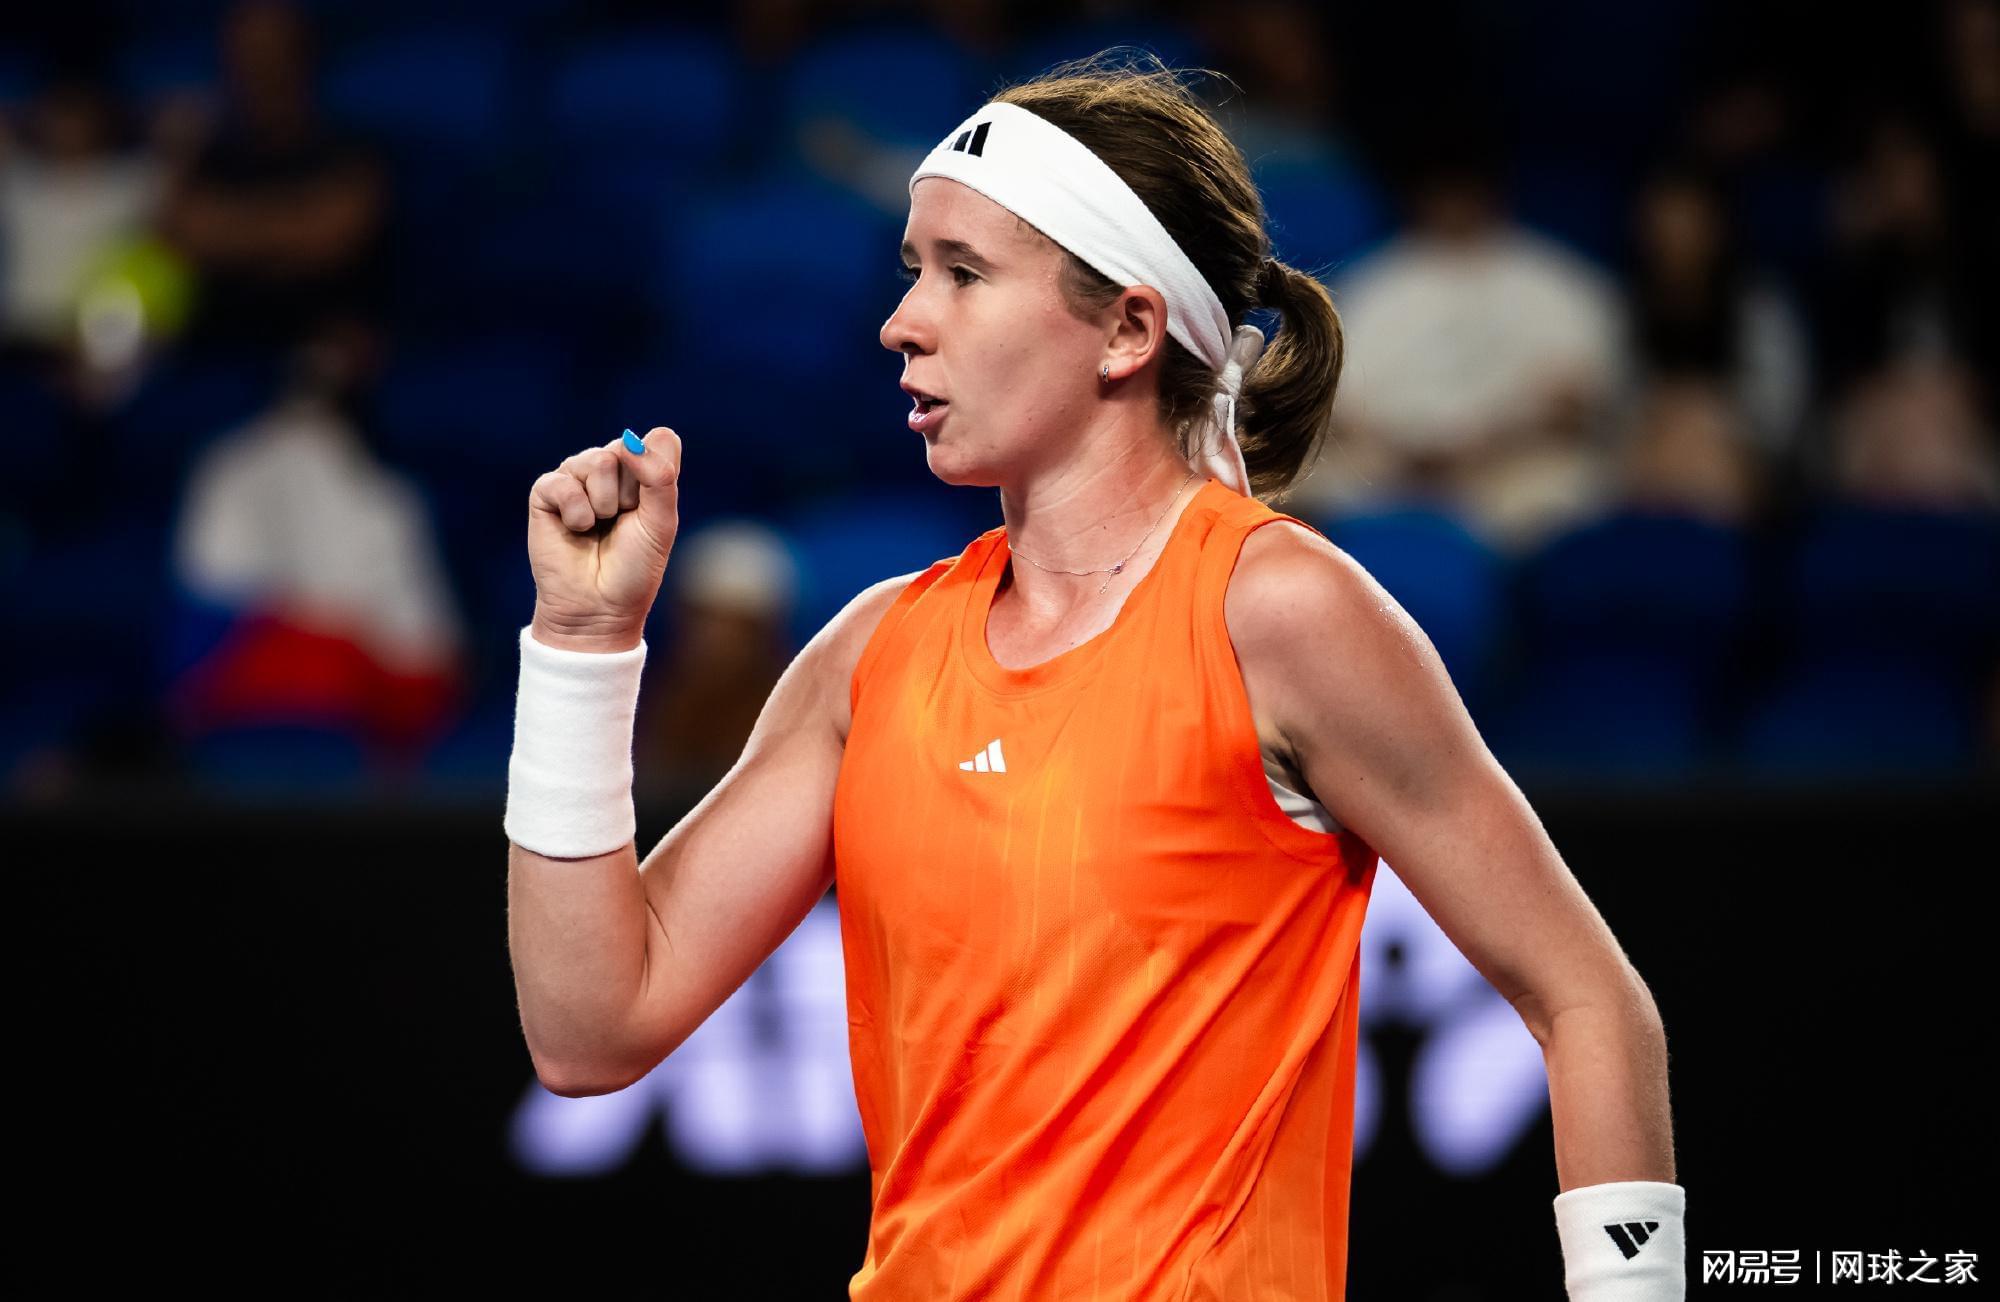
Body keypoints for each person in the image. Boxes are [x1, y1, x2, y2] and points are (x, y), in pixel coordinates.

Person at [502, 53, 1682, 1302]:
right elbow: (589, 1030)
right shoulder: (867, 653)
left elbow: (1587, 1000)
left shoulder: (1278, 612)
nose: (903, 320)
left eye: (962, 273)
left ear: (1126, 329)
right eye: (912, 269)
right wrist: (580, 643)